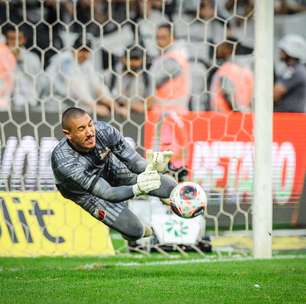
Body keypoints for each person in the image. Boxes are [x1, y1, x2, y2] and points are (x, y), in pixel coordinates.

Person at [51, 107, 176, 241]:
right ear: (68, 134)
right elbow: (108, 193)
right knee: (135, 231)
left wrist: (153, 168)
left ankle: (167, 198)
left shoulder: (104, 131)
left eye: (90, 124)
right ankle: (131, 227)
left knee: (171, 187)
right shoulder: (65, 163)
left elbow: (135, 163)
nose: (90, 132)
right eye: (81, 129)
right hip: (83, 192)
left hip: (108, 166)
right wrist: (138, 189)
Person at [44, 36, 123, 116]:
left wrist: (112, 104)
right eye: (81, 50)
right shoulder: (65, 60)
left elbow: (97, 85)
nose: (84, 54)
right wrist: (94, 106)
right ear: (73, 49)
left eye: (87, 51)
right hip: (53, 103)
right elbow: (75, 87)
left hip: (72, 104)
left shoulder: (86, 64)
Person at [3, 24, 41, 110]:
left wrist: (20, 59)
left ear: (23, 40)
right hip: (5, 103)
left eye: (18, 39)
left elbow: (38, 80)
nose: (14, 42)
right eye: (11, 39)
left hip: (28, 102)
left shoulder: (32, 57)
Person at [111, 46, 152, 115]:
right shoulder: (112, 74)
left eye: (136, 59)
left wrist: (142, 107)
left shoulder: (146, 76)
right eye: (130, 59)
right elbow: (104, 94)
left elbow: (151, 100)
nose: (133, 62)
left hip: (138, 116)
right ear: (123, 59)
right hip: (115, 114)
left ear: (142, 60)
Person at [274, 34, 306, 112]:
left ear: (291, 51)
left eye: (283, 50)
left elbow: (276, 93)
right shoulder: (294, 69)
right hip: (289, 117)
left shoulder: (294, 70)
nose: (280, 53)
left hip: (290, 118)